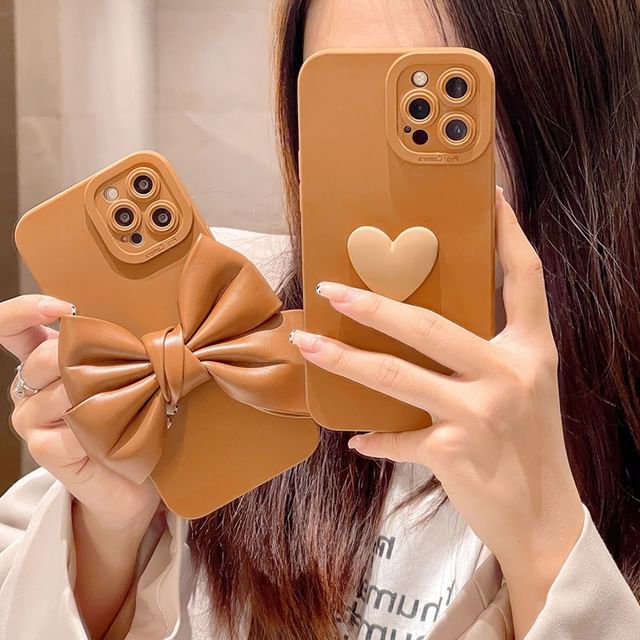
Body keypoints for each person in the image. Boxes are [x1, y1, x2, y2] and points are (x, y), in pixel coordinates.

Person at [1, 1, 639, 638]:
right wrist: (107, 530)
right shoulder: (231, 332)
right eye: (338, 101)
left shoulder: (621, 409)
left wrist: (544, 536)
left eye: (432, 107)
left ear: (558, 109)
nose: (376, 159)